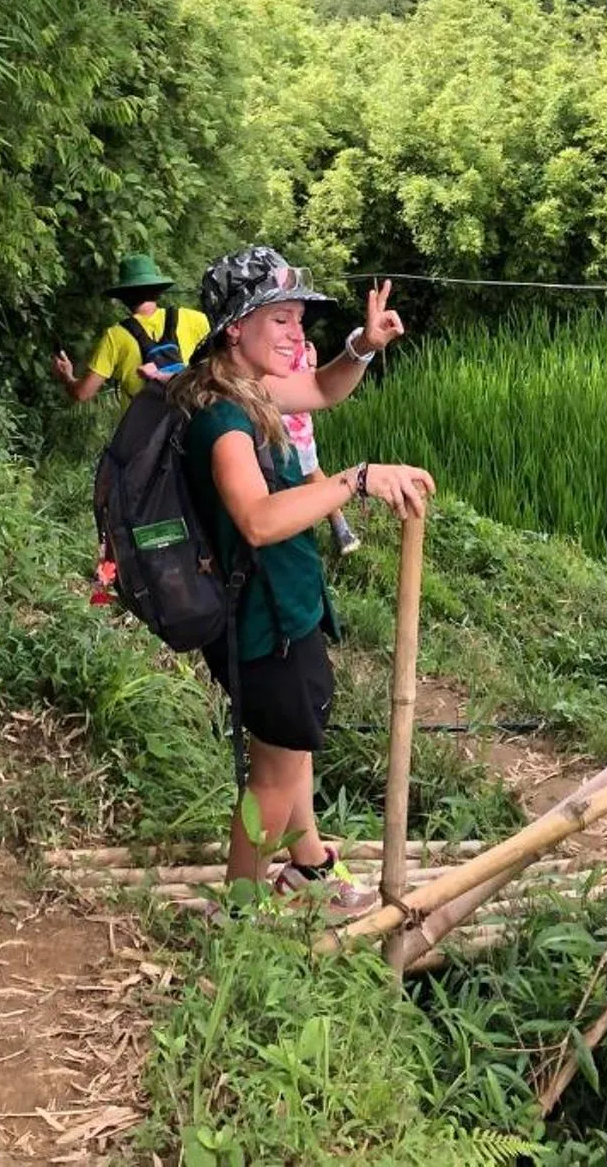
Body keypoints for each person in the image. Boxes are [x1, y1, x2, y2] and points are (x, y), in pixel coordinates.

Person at [170, 246, 431, 910]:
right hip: (262, 621)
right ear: (236, 327)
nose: (295, 333)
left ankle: (308, 868)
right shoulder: (224, 420)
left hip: (281, 609)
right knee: (272, 778)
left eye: (297, 319)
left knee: (290, 747)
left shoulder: (243, 388)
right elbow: (258, 521)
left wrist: (363, 347)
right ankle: (240, 913)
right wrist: (356, 480)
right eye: (280, 319)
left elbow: (320, 389)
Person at [53, 252, 208, 404]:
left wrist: (66, 376)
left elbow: (82, 393)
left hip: (144, 421)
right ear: (158, 291)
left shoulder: (115, 336)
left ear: (123, 297)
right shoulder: (196, 319)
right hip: (192, 416)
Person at [283, 332, 361, 560]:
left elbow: (310, 382)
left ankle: (340, 528)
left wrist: (311, 364)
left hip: (295, 428)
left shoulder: (297, 343)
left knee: (311, 473)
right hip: (274, 427)